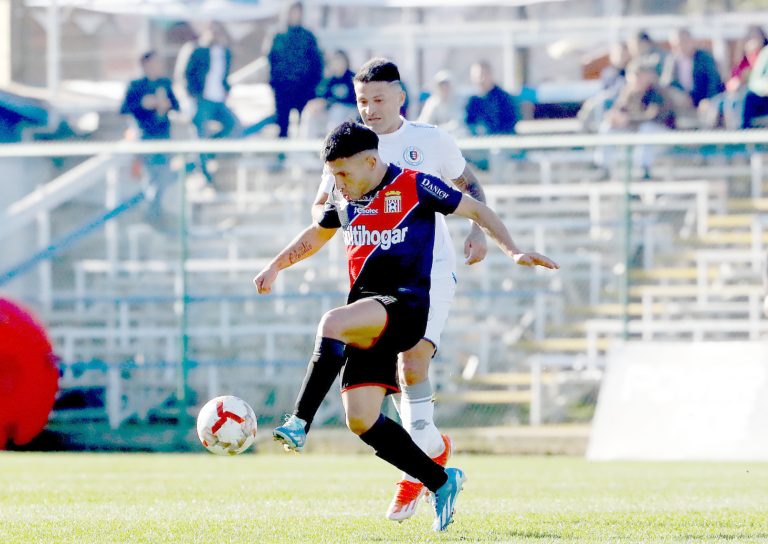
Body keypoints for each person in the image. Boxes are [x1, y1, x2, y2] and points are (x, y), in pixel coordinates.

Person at [253, 121, 558, 531]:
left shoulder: (416, 186)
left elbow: (476, 208)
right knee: (360, 419)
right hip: (367, 318)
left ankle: (298, 422)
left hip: (405, 306)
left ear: (371, 161)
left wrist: (514, 250)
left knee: (331, 322)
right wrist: (275, 265)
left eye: (343, 173)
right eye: (333, 174)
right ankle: (440, 480)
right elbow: (315, 234)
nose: (337, 183)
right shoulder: (346, 199)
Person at [310, 58, 489, 522]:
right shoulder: (349, 147)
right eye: (362, 100)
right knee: (376, 394)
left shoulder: (430, 141)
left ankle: (421, 472)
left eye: (378, 100)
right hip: (372, 279)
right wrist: (325, 210)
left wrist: (478, 230)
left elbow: (468, 183)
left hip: (430, 275)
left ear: (400, 97)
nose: (369, 109)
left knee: (412, 365)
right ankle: (429, 460)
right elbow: (321, 206)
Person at [120, 51, 180, 223]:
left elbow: (177, 106)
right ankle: (152, 213)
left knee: (165, 175)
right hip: (145, 136)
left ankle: (155, 211)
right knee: (152, 175)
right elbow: (124, 108)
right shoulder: (136, 85)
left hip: (164, 135)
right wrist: (144, 104)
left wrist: (166, 105)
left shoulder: (165, 84)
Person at [596, 60, 675, 178]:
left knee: (646, 129)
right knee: (607, 127)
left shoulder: (657, 92)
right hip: (637, 134)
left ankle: (644, 171)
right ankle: (603, 168)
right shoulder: (629, 92)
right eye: (634, 75)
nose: (636, 79)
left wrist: (628, 120)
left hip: (663, 134)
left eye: (640, 75)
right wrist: (614, 117)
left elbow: (652, 116)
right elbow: (619, 111)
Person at [184, 21, 240, 184]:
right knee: (200, 134)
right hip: (202, 99)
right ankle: (204, 172)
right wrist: (192, 96)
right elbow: (186, 75)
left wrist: (227, 89)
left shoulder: (225, 53)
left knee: (234, 126)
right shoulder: (197, 50)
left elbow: (223, 77)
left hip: (219, 101)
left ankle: (208, 152)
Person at [266, 1, 324, 139]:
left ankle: (301, 157)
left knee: (304, 123)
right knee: (282, 125)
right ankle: (281, 156)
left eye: (298, 12)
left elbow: (317, 62)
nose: (296, 15)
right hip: (283, 88)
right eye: (293, 12)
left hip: (304, 88)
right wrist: (274, 82)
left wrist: (313, 85)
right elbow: (271, 59)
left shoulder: (308, 36)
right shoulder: (278, 35)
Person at [299, 49, 358, 139]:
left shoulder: (352, 79)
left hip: (349, 112)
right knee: (310, 111)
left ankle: (333, 143)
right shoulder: (329, 80)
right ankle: (307, 145)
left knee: (337, 109)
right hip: (330, 112)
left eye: (340, 60)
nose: (338, 64)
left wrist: (330, 102)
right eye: (335, 61)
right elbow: (321, 97)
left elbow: (354, 99)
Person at [660, 28, 723, 109]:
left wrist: (708, 100)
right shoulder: (671, 60)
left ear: (691, 41)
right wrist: (681, 95)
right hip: (682, 100)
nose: (681, 46)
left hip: (702, 98)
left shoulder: (705, 58)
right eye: (677, 44)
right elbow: (666, 83)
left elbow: (713, 81)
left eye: (684, 42)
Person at [465, 61, 518, 136]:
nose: (480, 80)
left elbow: (510, 122)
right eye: (476, 77)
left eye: (482, 75)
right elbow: (468, 123)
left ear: (490, 75)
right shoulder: (472, 100)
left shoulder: (503, 98)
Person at [417, 70, 466, 136]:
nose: (444, 88)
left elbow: (458, 124)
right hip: (436, 137)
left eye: (446, 85)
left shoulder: (459, 101)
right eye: (441, 85)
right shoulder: (432, 102)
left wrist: (438, 128)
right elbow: (424, 123)